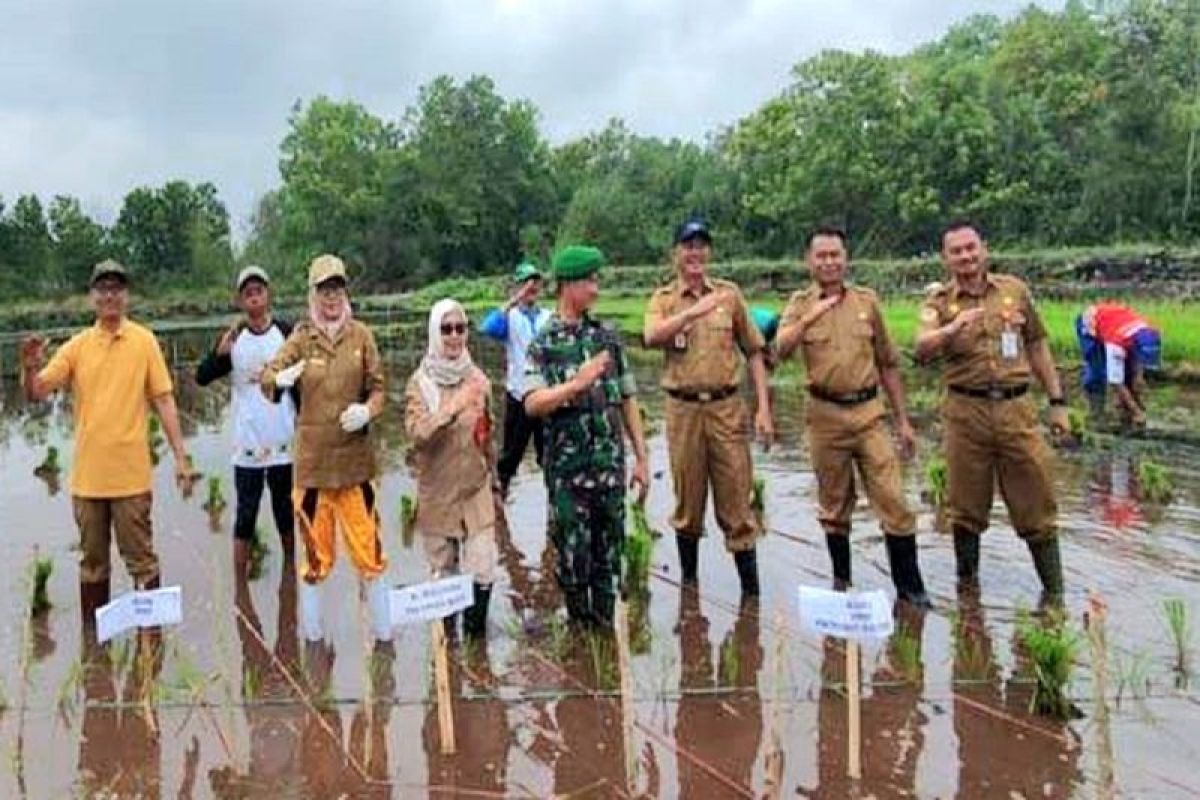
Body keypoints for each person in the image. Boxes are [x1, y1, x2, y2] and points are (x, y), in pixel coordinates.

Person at [20, 259, 193, 632]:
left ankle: (151, 650)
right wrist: (30, 367)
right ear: (92, 297)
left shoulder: (144, 341)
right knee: (92, 565)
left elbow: (164, 400)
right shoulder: (77, 347)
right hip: (88, 481)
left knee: (143, 563)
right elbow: (37, 392)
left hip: (131, 479)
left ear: (126, 296)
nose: (110, 295)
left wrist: (181, 457)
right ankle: (95, 652)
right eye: (103, 288)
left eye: (116, 288)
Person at [915, 220, 1069, 601]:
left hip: (1017, 409)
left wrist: (1058, 403)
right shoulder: (938, 304)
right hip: (966, 414)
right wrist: (952, 330)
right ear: (945, 257)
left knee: (1037, 499)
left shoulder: (1013, 291)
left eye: (971, 248)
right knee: (965, 507)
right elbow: (921, 348)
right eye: (956, 251)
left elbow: (1036, 345)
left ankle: (1055, 595)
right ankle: (968, 594)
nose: (965, 256)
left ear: (984, 249)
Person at [776, 227, 929, 605]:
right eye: (821, 256)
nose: (829, 262)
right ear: (809, 261)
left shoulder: (867, 302)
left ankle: (911, 591)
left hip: (868, 414)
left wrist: (903, 421)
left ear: (846, 258)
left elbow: (889, 364)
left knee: (893, 499)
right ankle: (841, 584)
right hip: (824, 416)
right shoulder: (799, 304)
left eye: (835, 255)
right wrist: (811, 317)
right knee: (834, 505)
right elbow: (778, 349)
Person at [260, 254, 390, 644]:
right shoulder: (301, 338)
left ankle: (385, 638)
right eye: (323, 289)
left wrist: (367, 410)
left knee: (370, 554)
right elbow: (267, 377)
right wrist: (279, 379)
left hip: (355, 466)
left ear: (345, 291)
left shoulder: (361, 336)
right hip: (313, 469)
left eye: (336, 288)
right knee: (316, 560)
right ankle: (314, 643)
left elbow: (380, 388)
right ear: (312, 293)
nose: (331, 297)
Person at [643, 218, 773, 596]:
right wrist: (692, 313)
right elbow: (652, 336)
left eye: (702, 245)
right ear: (675, 254)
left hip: (726, 409)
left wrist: (763, 407)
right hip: (683, 412)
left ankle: (751, 597)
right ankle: (690, 590)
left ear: (709, 252)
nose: (696, 252)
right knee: (688, 504)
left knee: (738, 504)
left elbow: (754, 351)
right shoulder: (664, 299)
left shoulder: (729, 295)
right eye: (688, 245)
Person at [524, 245, 650, 628]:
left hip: (610, 473)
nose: (596, 289)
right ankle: (581, 646)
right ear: (568, 286)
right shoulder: (543, 345)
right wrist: (575, 384)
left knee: (609, 563)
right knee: (573, 564)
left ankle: (606, 644)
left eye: (597, 280)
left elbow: (627, 399)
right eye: (590, 281)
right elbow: (532, 403)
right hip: (568, 479)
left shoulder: (607, 339)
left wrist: (643, 459)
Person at [195, 265, 297, 580]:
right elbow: (202, 377)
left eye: (259, 291)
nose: (254, 297)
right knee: (245, 515)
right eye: (247, 293)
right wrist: (218, 355)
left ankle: (291, 574)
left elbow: (305, 376)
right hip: (248, 444)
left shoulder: (286, 331)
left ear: (268, 295)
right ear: (240, 300)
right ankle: (239, 582)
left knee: (286, 512)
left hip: (283, 441)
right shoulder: (234, 338)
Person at [405, 298, 498, 640]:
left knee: (483, 569)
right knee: (442, 578)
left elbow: (488, 435)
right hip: (438, 496)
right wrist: (451, 409)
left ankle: (476, 655)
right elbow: (417, 435)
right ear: (434, 333)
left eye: (461, 328)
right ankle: (447, 662)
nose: (455, 336)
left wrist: (496, 481)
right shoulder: (420, 383)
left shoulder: (479, 380)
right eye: (446, 329)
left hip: (475, 491)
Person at [479, 261, 553, 498]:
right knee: (510, 456)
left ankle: (554, 511)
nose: (531, 287)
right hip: (519, 396)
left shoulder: (549, 317)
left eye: (534, 282)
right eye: (526, 282)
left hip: (546, 397)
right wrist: (515, 298)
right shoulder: (509, 317)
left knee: (549, 457)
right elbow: (486, 328)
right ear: (517, 286)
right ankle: (500, 502)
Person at [1076, 301, 1161, 428]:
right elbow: (1115, 381)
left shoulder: (1150, 332)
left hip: (1115, 323)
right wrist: (1136, 411)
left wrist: (1138, 375)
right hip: (1090, 325)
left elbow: (1138, 358)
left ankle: (1125, 409)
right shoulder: (1116, 344)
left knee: (1129, 374)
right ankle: (1096, 412)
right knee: (1098, 372)